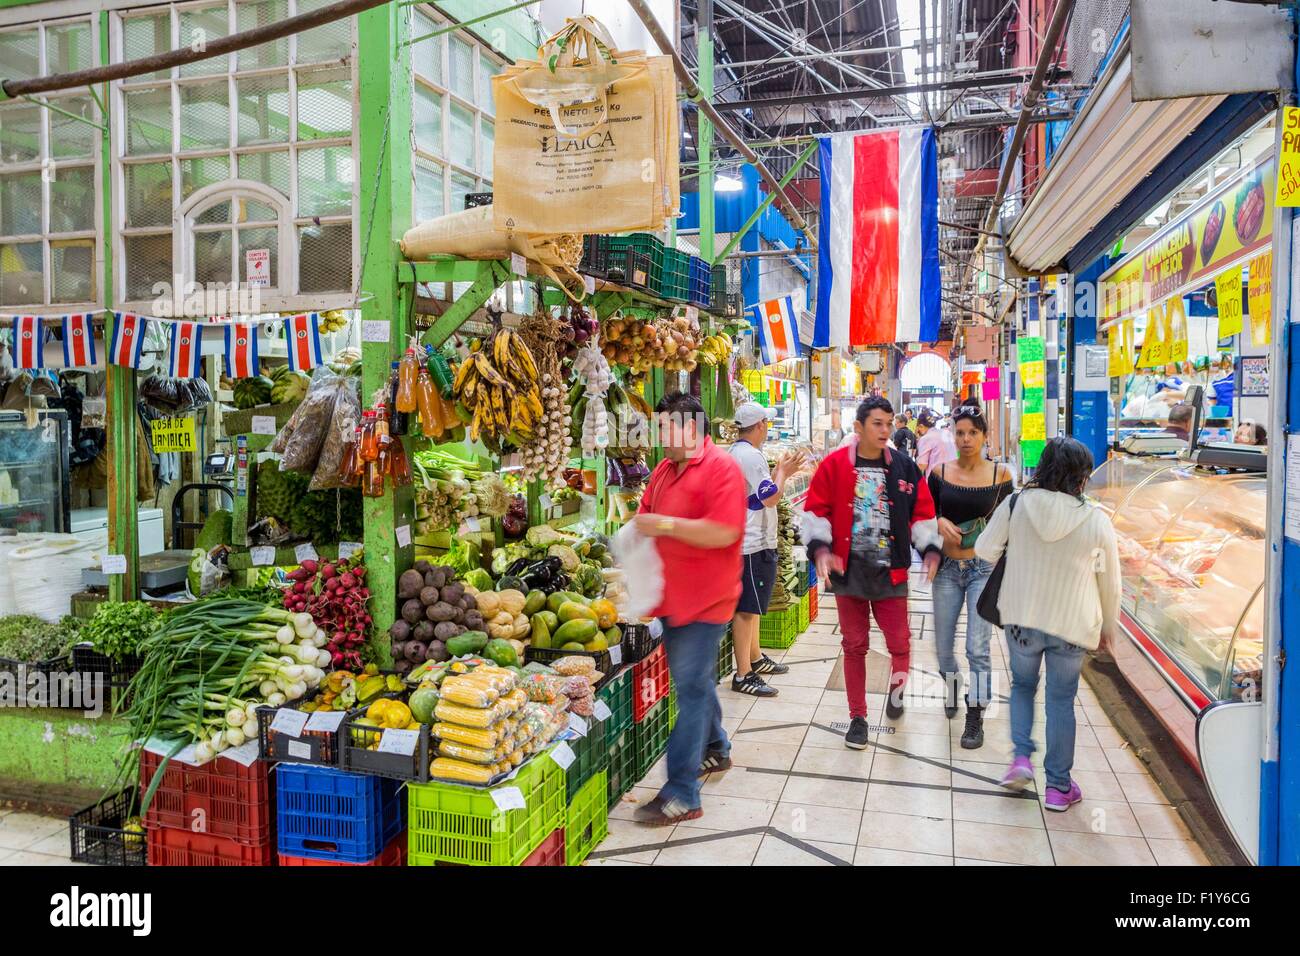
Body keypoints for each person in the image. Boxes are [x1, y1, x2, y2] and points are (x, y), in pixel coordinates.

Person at [974, 436, 1121, 812]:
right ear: (1081, 477)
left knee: (1023, 686)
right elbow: (1109, 581)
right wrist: (1108, 629)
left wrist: (1021, 550)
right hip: (1072, 623)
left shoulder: (1017, 504)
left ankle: (1021, 758)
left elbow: (985, 550)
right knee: (1060, 700)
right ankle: (1058, 786)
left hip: (1022, 617)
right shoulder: (1096, 520)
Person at [801, 395, 943, 749]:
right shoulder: (833, 467)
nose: (885, 430)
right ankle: (858, 717)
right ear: (859, 427)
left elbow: (921, 513)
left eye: (889, 423)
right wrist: (820, 549)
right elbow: (815, 511)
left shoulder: (905, 467)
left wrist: (929, 548)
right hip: (849, 573)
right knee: (854, 646)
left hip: (891, 572)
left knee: (899, 643)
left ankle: (897, 693)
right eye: (877, 424)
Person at [631, 392, 746, 826]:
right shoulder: (664, 469)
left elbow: (723, 531)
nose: (659, 435)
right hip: (669, 599)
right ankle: (716, 748)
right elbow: (644, 513)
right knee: (696, 682)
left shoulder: (722, 470)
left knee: (692, 689)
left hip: (707, 601)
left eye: (665, 427)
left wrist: (662, 525)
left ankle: (683, 792)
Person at [927, 403, 1014, 749]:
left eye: (973, 433)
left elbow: (1009, 524)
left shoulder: (1001, 476)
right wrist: (936, 521)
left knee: (977, 648)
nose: (965, 439)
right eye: (960, 432)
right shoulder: (939, 472)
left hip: (982, 568)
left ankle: (974, 715)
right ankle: (951, 684)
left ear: (984, 435)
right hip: (947, 570)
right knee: (944, 648)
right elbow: (922, 513)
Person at [728, 403, 807, 700]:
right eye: (767, 423)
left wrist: (776, 472)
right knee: (747, 608)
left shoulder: (738, 453)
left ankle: (756, 657)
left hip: (749, 538)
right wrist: (783, 473)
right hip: (752, 542)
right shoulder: (750, 456)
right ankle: (743, 673)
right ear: (760, 425)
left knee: (754, 604)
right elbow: (770, 498)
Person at [914, 407, 957, 475]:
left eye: (918, 427)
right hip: (954, 476)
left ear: (921, 426)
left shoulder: (926, 438)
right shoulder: (947, 433)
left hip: (937, 480)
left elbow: (922, 465)